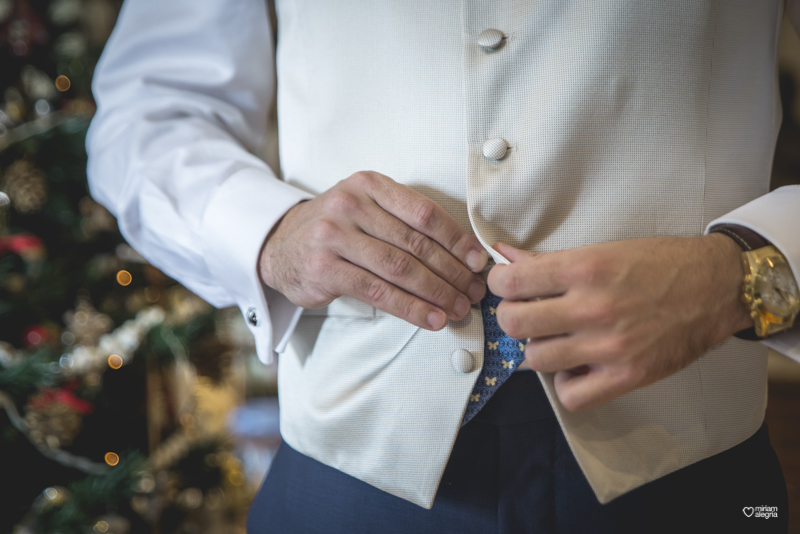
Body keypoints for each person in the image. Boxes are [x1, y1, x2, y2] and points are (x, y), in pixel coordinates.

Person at [87, 1, 800, 532]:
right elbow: (153, 107)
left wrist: (743, 275)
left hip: (691, 472)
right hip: (350, 475)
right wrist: (271, 233)